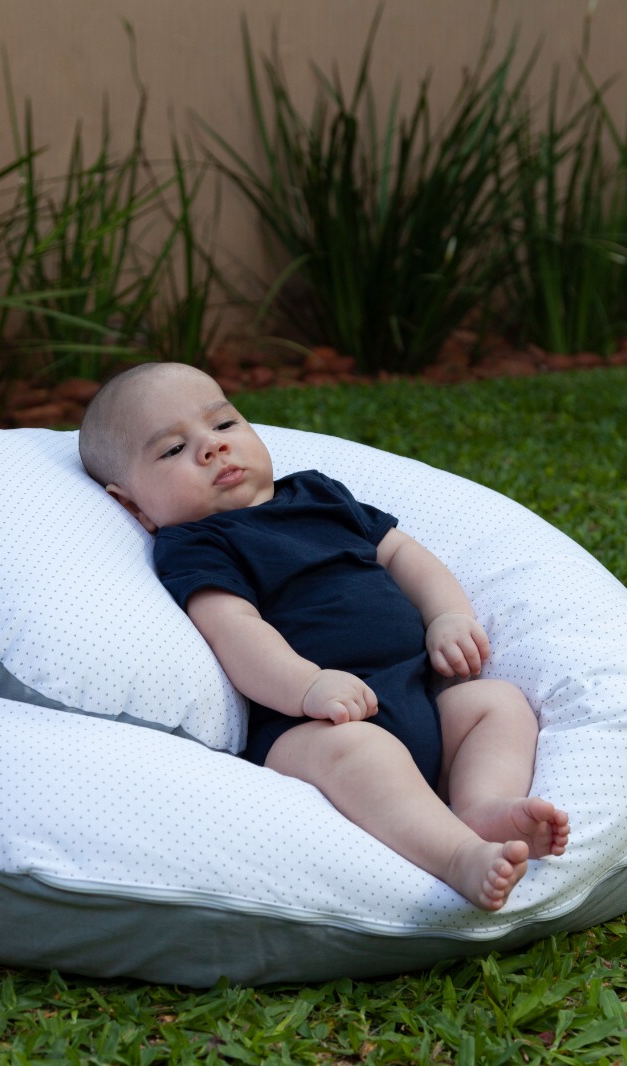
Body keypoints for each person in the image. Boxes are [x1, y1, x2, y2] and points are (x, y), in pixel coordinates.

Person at [78, 362, 568, 909]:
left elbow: (402, 553)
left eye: (223, 424)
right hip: (311, 725)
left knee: (497, 703)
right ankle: (457, 855)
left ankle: (480, 806)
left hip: (416, 693)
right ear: (131, 505)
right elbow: (234, 630)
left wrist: (447, 615)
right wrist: (307, 685)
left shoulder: (318, 494)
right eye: (173, 449)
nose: (212, 447)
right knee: (359, 751)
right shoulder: (197, 544)